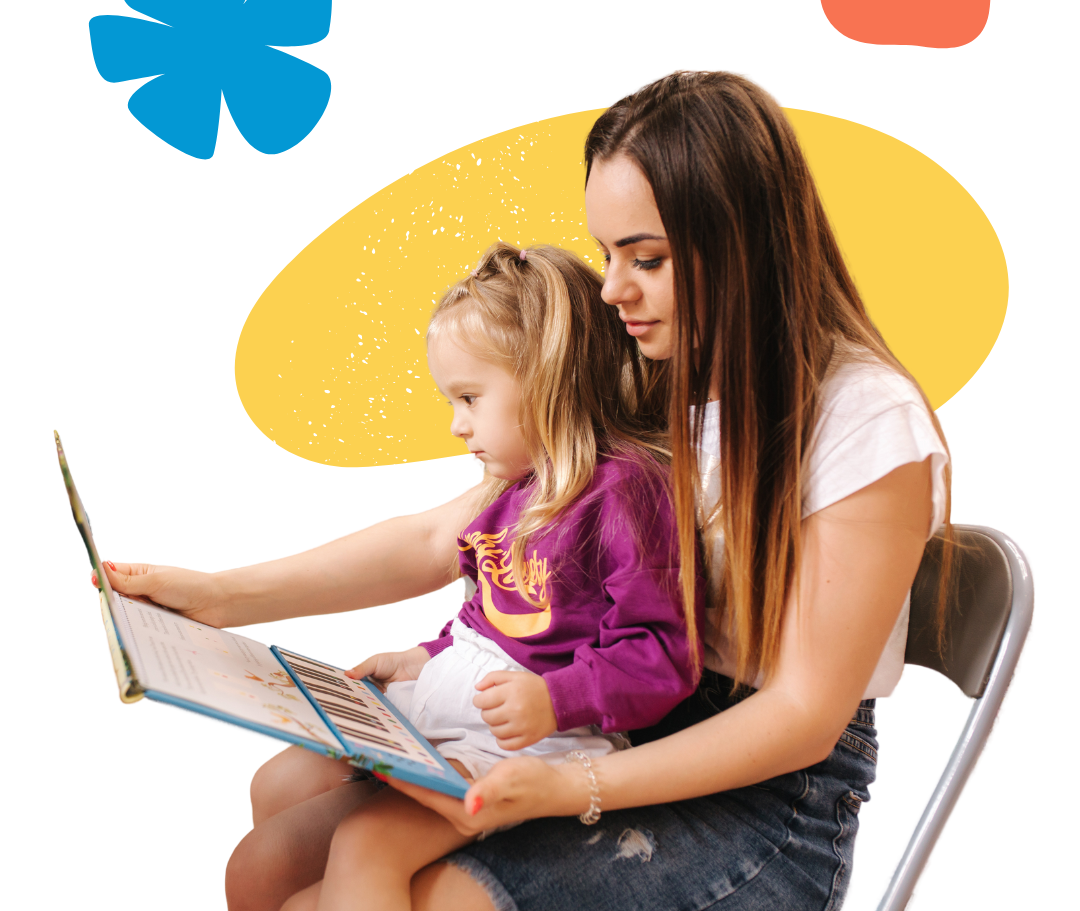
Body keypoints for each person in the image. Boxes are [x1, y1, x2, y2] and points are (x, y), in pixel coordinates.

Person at [97, 68, 956, 911]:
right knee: (269, 842)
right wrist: (217, 598)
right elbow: (445, 539)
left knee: (384, 886)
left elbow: (804, 714)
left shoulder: (864, 420)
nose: (614, 289)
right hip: (600, 706)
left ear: (743, 241)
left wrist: (566, 785)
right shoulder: (646, 379)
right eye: (608, 254)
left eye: (646, 258)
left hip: (765, 794)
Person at [96, 241, 702, 911]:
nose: (456, 424)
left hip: (540, 738)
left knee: (368, 845)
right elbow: (488, 617)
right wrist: (426, 655)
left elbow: (659, 656)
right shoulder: (510, 485)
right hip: (455, 705)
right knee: (275, 788)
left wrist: (556, 699)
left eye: (470, 397)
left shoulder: (623, 493)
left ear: (549, 375)